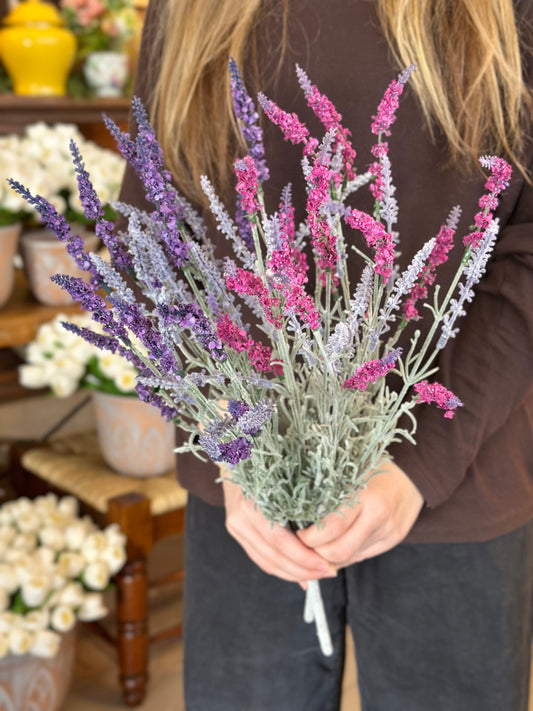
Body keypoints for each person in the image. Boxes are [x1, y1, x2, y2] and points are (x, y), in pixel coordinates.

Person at [118, 1, 533, 709]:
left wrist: (421, 462)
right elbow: (149, 237)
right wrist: (231, 440)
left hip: (459, 477)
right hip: (248, 500)